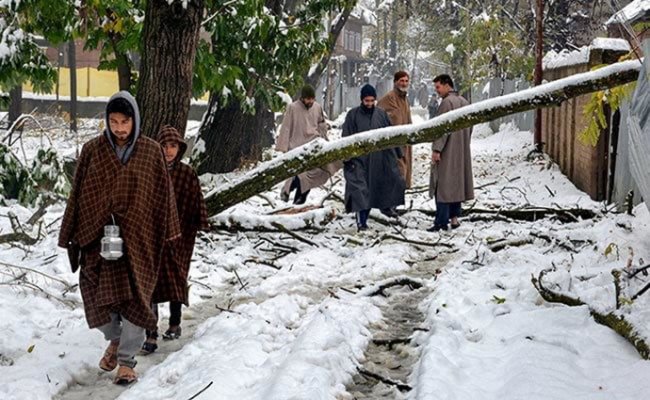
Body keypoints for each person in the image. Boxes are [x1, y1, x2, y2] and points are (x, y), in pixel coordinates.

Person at [58, 91, 180, 384]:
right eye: (113, 121)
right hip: (97, 237)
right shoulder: (93, 150)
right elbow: (80, 193)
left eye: (125, 121)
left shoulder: (151, 152)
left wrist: (168, 233)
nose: (119, 128)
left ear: (134, 120)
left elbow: (163, 195)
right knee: (94, 295)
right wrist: (72, 231)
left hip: (139, 239)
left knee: (137, 298)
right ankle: (114, 338)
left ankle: (126, 361)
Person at [140, 125, 210, 354]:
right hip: (154, 235)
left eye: (173, 146)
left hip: (181, 237)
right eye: (164, 145)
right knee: (151, 281)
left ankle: (175, 322)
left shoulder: (186, 173)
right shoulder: (149, 172)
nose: (169, 151)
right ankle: (151, 331)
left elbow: (195, 201)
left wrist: (196, 224)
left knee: (176, 278)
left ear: (179, 148)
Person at [342, 84, 406, 231]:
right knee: (360, 192)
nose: (369, 104)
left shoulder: (381, 114)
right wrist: (347, 159)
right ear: (362, 100)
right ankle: (361, 223)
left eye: (372, 101)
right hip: (358, 162)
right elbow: (345, 138)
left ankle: (386, 209)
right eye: (367, 101)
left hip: (378, 161)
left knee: (378, 190)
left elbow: (390, 134)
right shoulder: (352, 115)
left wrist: (398, 153)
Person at [276, 85, 341, 204]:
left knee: (316, 173)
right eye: (308, 99)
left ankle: (297, 202)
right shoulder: (292, 108)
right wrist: (283, 147)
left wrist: (325, 140)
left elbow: (321, 125)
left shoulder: (317, 107)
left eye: (312, 99)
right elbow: (286, 127)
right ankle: (288, 191)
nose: (310, 101)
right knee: (301, 175)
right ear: (302, 98)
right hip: (296, 147)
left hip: (313, 145)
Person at [428, 74, 474, 232]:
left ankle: (441, 221)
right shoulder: (464, 102)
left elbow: (442, 129)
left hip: (447, 151)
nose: (437, 91)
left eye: (438, 87)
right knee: (456, 184)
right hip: (461, 150)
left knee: (442, 186)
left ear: (447, 85)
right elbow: (470, 127)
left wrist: (436, 149)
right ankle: (454, 219)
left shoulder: (447, 103)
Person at [378, 70, 413, 193]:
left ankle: (395, 204)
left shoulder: (405, 99)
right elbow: (378, 117)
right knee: (395, 173)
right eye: (401, 81)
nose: (404, 83)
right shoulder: (389, 98)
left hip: (404, 143)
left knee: (402, 172)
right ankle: (390, 206)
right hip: (392, 144)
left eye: (406, 81)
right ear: (395, 82)